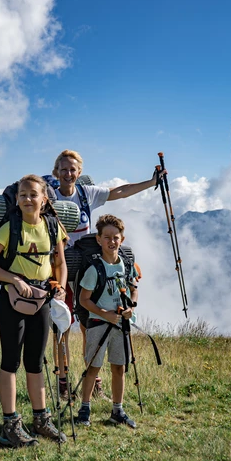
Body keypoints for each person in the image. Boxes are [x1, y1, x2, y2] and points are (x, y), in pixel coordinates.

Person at [51, 149, 160, 400]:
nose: (69, 173)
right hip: (61, 266)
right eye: (64, 169)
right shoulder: (50, 197)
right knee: (63, 326)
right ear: (57, 172)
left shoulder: (86, 193)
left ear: (79, 172)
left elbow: (118, 192)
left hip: (88, 266)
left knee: (91, 326)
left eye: (73, 169)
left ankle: (92, 380)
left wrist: (152, 182)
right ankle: (64, 381)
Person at [0, 174, 68, 448]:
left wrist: (61, 287)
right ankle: (10, 425)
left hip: (42, 300)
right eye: (22, 195)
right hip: (12, 302)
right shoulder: (10, 228)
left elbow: (60, 263)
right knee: (10, 362)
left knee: (35, 360)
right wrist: (14, 279)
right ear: (16, 200)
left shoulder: (53, 227)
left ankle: (40, 419)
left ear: (44, 199)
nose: (28, 199)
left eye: (33, 194)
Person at [76, 214, 139, 428]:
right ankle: (85, 408)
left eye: (116, 237)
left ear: (122, 239)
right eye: (107, 237)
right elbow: (83, 300)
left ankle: (117, 410)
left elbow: (133, 288)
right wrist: (105, 314)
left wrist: (131, 307)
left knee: (119, 367)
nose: (112, 241)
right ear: (98, 240)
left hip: (121, 325)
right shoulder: (94, 269)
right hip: (98, 324)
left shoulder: (126, 264)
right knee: (93, 367)